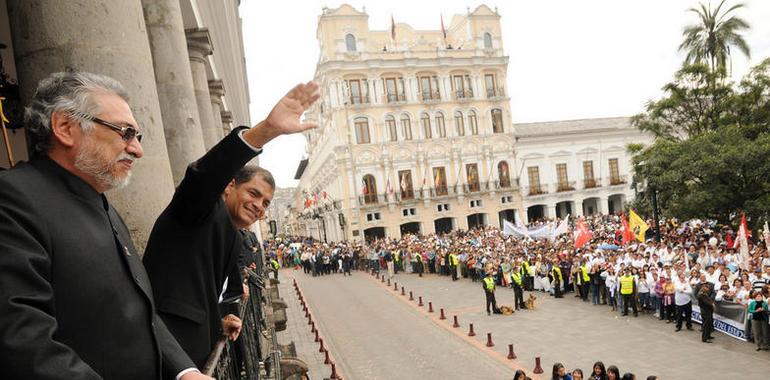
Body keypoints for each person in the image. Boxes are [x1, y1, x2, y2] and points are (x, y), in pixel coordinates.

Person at [0, 72, 209, 379]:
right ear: (65, 127)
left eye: (138, 136)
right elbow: (22, 339)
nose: (137, 149)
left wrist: (185, 371)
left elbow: (139, 310)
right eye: (125, 133)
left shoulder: (103, 203)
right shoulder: (14, 198)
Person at [143, 81, 319, 367]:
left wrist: (217, 322)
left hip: (195, 356)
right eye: (253, 194)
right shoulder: (200, 209)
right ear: (228, 187)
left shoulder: (234, 235)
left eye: (265, 203)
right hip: (165, 356)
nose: (259, 206)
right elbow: (204, 175)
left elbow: (201, 291)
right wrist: (266, 131)